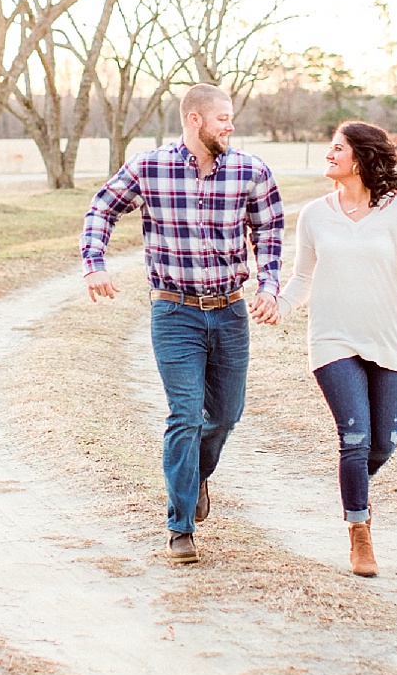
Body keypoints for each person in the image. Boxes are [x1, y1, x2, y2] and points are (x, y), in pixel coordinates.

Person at [80, 83, 283, 564]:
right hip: (174, 313)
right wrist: (94, 263)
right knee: (185, 414)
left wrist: (269, 285)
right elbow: (102, 208)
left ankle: (196, 473)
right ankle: (180, 526)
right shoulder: (150, 167)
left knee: (227, 414)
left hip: (230, 311)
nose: (230, 126)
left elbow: (270, 230)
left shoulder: (250, 171)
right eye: (222, 118)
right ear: (195, 119)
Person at [275, 120, 397, 577]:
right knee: (355, 438)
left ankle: (353, 482)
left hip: (388, 340)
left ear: (360, 158)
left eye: (337, 148)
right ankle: (359, 533)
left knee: (384, 443)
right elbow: (302, 278)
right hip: (332, 339)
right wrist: (277, 305)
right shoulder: (314, 215)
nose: (329, 154)